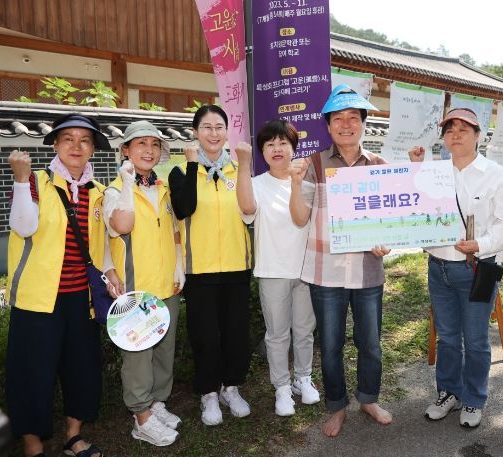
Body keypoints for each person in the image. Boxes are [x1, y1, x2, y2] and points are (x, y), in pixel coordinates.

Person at [288, 84, 393, 437]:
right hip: (326, 271)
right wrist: (295, 183)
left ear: (363, 123)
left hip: (367, 271)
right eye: (338, 119)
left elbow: (390, 221)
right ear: (328, 125)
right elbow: (300, 217)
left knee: (370, 343)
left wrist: (385, 241)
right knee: (331, 345)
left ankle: (368, 399)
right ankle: (336, 406)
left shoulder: (379, 165)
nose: (346, 125)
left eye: (353, 118)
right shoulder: (314, 164)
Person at [5, 113, 110, 457]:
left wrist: (110, 274)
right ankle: (33, 444)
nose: (76, 146)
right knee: (32, 372)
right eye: (68, 139)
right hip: (38, 298)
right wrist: (21, 180)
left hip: (82, 298)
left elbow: (102, 245)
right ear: (55, 145)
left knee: (81, 367)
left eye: (85, 140)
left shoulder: (99, 191)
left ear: (93, 148)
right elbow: (23, 226)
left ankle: (73, 436)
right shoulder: (35, 180)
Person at [408, 108, 503, 428]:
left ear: (478, 135)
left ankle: (474, 398)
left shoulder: (496, 174)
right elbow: (414, 210)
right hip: (438, 267)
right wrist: (414, 171)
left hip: (475, 269)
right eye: (449, 130)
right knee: (447, 338)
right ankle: (449, 393)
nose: (455, 135)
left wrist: (480, 244)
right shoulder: (432, 172)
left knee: (476, 340)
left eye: (463, 129)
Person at [168, 105, 253, 426]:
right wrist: (193, 165)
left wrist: (243, 166)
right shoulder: (180, 171)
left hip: (236, 265)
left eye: (219, 127)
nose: (213, 133)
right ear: (195, 132)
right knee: (205, 336)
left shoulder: (239, 168)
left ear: (227, 132)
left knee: (235, 333)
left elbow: (249, 211)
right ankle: (208, 392)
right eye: (206, 127)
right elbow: (184, 208)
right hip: (199, 268)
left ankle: (231, 387)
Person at [102, 121, 185, 446]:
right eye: (140, 144)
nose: (149, 150)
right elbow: (121, 225)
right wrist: (126, 183)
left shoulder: (163, 188)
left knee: (164, 350)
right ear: (126, 150)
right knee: (138, 356)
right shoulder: (113, 190)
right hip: (136, 289)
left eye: (154, 144)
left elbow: (175, 231)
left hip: (167, 285)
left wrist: (179, 267)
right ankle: (140, 416)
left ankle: (157, 403)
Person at [236, 119, 320, 417]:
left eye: (283, 142)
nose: (277, 148)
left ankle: (303, 378)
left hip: (305, 270)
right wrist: (243, 164)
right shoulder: (256, 184)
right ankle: (282, 387)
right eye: (269, 144)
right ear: (262, 152)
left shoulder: (309, 185)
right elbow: (247, 208)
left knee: (305, 331)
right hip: (272, 271)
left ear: (293, 147)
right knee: (277, 334)